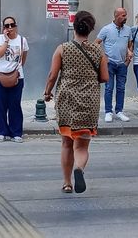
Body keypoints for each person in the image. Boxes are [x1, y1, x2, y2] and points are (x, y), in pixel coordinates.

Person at [44, 11, 109, 194]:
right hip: (89, 101)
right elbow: (105, 77)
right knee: (81, 145)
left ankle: (67, 183)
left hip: (67, 100)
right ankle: (79, 169)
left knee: (66, 143)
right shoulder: (98, 51)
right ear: (90, 29)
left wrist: (47, 92)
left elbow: (53, 75)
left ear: (74, 26)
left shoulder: (62, 48)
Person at [0, 16, 29, 143]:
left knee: (15, 104)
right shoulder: (0, 38)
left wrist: (16, 70)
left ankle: (16, 132)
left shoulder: (22, 40)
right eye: (6, 26)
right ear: (3, 28)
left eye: (12, 25)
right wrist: (6, 41)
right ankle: (2, 132)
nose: (9, 28)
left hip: (17, 76)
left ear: (16, 26)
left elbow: (24, 57)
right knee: (1, 104)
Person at [95, 7, 133, 122]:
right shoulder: (106, 29)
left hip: (123, 64)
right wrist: (103, 57)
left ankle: (119, 111)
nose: (125, 17)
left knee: (121, 88)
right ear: (116, 16)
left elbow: (130, 44)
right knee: (109, 88)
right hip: (109, 63)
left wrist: (129, 56)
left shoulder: (128, 30)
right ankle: (108, 112)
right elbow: (96, 43)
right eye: (123, 16)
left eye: (126, 15)